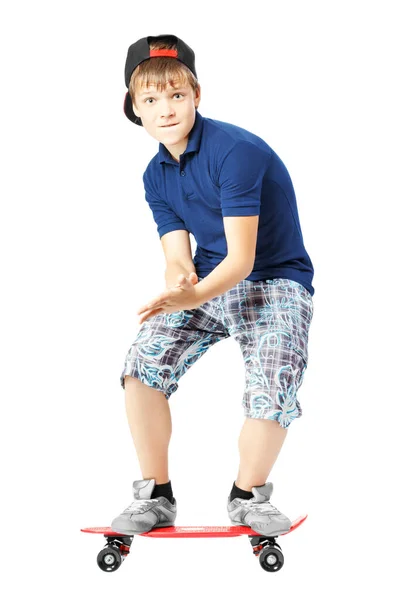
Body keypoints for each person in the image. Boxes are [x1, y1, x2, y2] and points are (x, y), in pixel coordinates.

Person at [111, 34, 315, 537]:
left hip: (274, 279)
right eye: (151, 99)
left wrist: (193, 292)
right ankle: (155, 497)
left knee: (273, 380)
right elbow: (177, 255)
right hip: (208, 279)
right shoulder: (155, 175)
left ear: (196, 96)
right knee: (141, 367)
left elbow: (242, 260)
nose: (165, 110)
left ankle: (249, 497)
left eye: (176, 95)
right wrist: (179, 282)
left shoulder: (235, 152)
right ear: (134, 109)